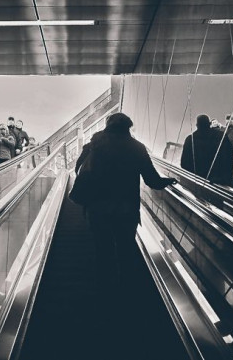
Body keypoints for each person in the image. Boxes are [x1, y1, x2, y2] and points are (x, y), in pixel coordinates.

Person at [73, 113, 176, 335]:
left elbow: (78, 169)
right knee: (125, 249)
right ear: (128, 127)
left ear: (108, 125)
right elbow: (152, 180)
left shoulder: (95, 144)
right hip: (126, 209)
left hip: (98, 208)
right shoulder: (136, 147)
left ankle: (104, 296)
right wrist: (170, 181)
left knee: (103, 250)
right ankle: (127, 295)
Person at [179, 114, 233, 185]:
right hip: (218, 181)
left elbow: (184, 163)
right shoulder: (222, 136)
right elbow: (229, 158)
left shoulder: (190, 139)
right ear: (209, 124)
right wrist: (226, 179)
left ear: (197, 125)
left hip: (197, 181)